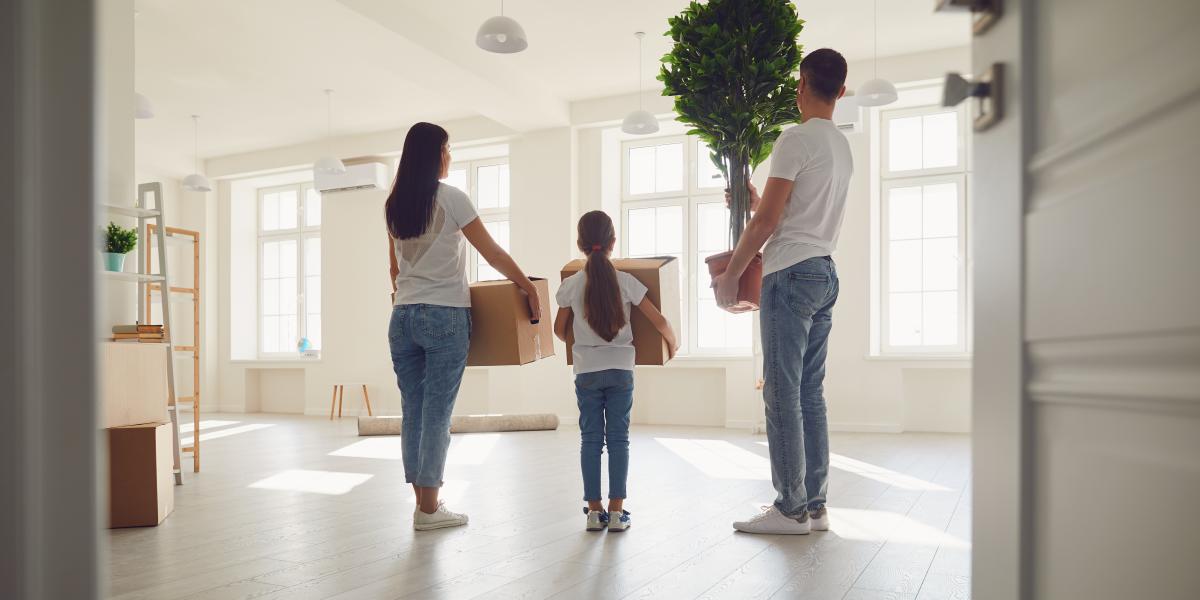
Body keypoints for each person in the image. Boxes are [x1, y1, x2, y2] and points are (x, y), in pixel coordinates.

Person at [713, 48, 852, 535]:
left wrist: (731, 270)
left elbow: (772, 222)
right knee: (809, 392)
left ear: (802, 85)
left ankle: (788, 508)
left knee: (780, 393)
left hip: (790, 273)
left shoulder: (795, 138)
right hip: (824, 272)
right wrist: (756, 201)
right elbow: (787, 210)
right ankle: (814, 505)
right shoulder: (840, 145)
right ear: (840, 89)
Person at [386, 122, 541, 531]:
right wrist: (527, 286)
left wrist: (406, 298)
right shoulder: (451, 198)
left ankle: (425, 507)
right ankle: (429, 509)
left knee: (413, 412)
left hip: (401, 316)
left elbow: (393, 269)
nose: (450, 156)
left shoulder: (394, 204)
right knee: (437, 413)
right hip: (444, 315)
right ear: (435, 154)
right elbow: (490, 253)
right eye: (448, 148)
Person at [553, 210, 678, 533]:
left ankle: (594, 512)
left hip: (587, 371)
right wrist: (672, 343)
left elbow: (558, 330)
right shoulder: (626, 282)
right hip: (621, 369)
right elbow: (659, 321)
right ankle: (617, 510)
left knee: (591, 439)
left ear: (580, 244)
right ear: (612, 243)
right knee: (619, 439)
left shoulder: (571, 285)